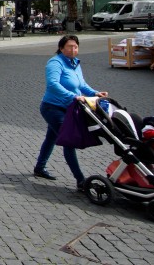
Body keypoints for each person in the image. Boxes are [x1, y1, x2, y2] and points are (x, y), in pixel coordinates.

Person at [34, 35, 108, 191]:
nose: (73, 49)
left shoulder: (75, 63)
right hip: (52, 108)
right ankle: (80, 180)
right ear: (61, 48)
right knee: (69, 141)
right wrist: (74, 96)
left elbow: (81, 84)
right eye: (69, 46)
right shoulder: (55, 63)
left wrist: (95, 93)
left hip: (69, 108)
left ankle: (39, 168)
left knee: (51, 137)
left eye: (75, 46)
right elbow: (53, 85)